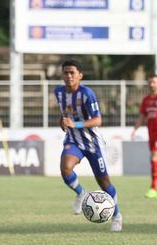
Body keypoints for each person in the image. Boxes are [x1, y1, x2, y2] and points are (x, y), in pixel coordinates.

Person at [54, 59, 123, 232]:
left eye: (72, 72)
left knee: (103, 181)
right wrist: (62, 121)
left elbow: (98, 120)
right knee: (65, 169)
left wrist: (75, 124)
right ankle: (80, 193)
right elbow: (66, 114)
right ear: (62, 75)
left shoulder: (87, 94)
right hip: (73, 140)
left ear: (80, 75)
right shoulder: (59, 92)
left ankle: (117, 216)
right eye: (66, 72)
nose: (69, 76)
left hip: (92, 143)